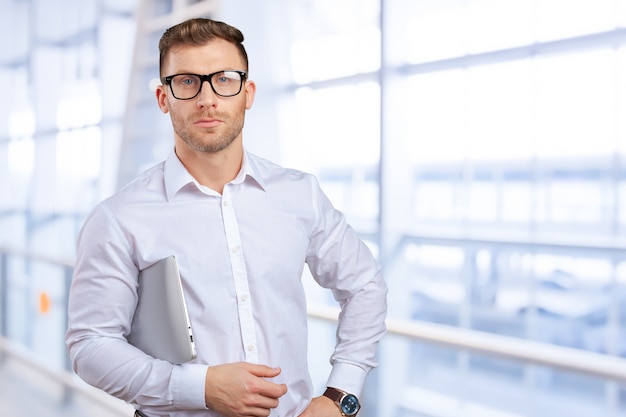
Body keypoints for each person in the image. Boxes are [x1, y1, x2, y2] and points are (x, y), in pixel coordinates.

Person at [66, 17, 387, 417]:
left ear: (247, 93)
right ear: (163, 98)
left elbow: (366, 286)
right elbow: (91, 346)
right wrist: (201, 387)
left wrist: (341, 395)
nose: (207, 99)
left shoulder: (299, 194)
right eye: (187, 81)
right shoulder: (118, 219)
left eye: (225, 79)